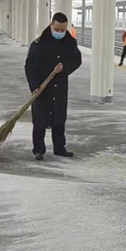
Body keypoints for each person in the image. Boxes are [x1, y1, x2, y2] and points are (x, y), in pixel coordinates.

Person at [25, 12, 82, 161]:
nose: (60, 32)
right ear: (51, 25)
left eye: (62, 30)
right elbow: (30, 66)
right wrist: (34, 86)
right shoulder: (39, 43)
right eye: (57, 29)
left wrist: (64, 68)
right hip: (42, 88)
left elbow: (77, 60)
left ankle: (59, 148)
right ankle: (38, 149)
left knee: (59, 118)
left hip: (60, 87)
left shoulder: (70, 42)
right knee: (39, 120)